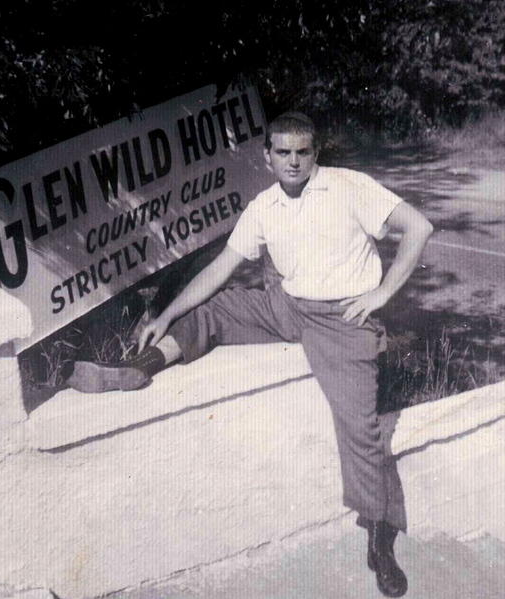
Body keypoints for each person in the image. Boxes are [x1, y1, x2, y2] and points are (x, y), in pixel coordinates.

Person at [67, 112, 433, 597]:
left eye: (302, 152)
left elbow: (418, 227)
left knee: (361, 430)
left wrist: (382, 294)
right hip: (287, 306)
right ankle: (138, 367)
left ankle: (380, 539)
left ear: (315, 153)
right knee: (213, 310)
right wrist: (165, 314)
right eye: (283, 152)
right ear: (267, 157)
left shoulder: (349, 187)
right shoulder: (264, 206)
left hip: (342, 320)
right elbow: (221, 267)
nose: (293, 161)